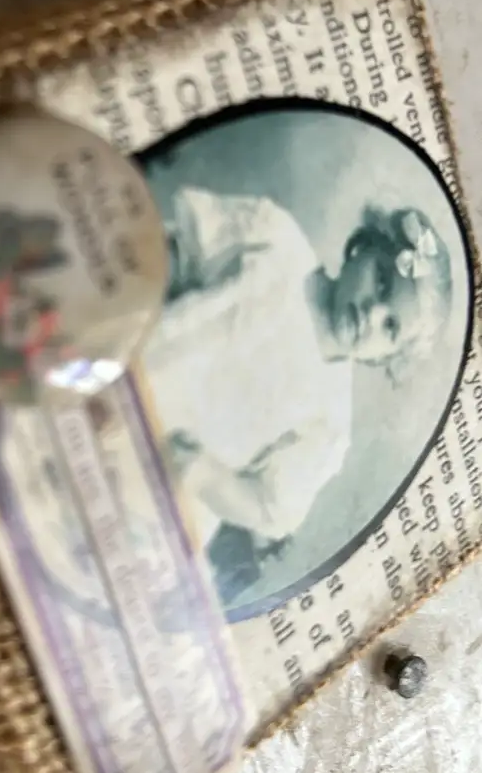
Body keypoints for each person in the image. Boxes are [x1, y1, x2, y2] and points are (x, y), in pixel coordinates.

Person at [144, 188, 453, 549]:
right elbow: (176, 255)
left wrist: (204, 474)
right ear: (364, 248)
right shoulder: (275, 240)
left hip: (164, 479)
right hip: (137, 360)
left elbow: (271, 509)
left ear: (386, 357)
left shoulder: (328, 422)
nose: (372, 312)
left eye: (390, 327)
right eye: (381, 282)